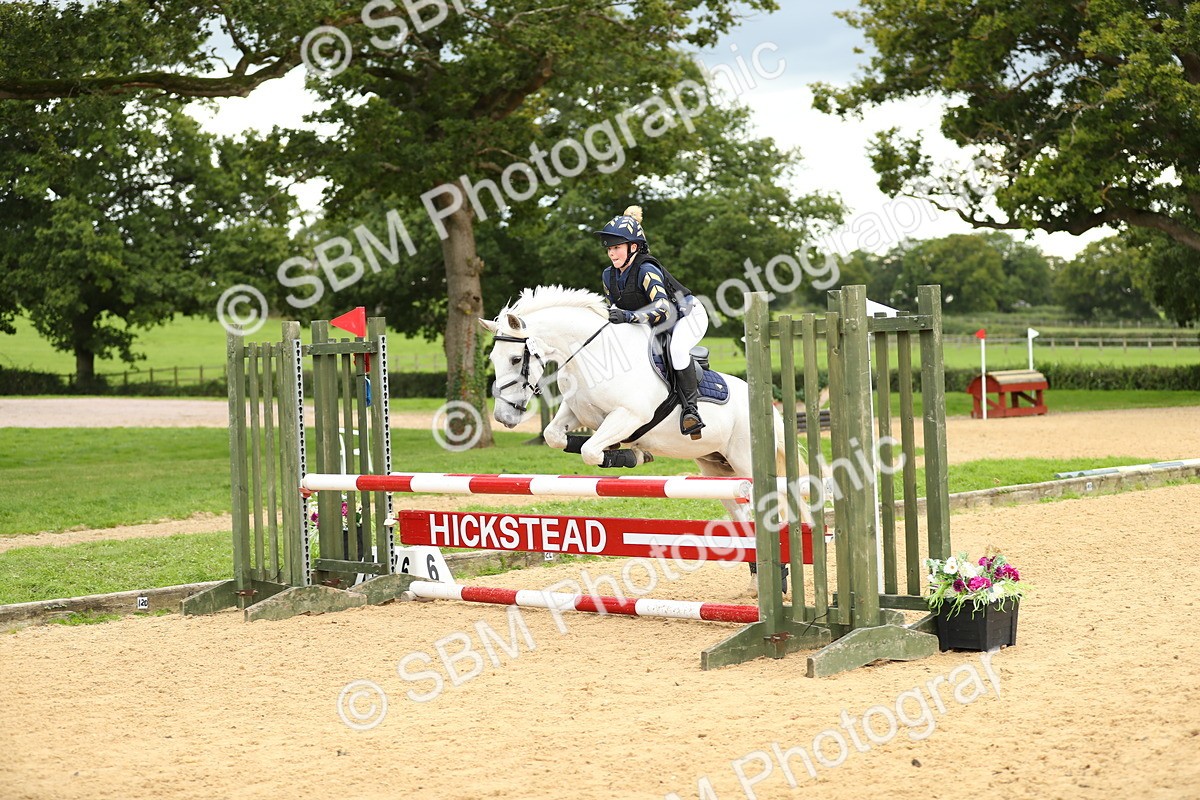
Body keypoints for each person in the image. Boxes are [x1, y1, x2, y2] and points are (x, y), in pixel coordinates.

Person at [592, 205, 710, 438]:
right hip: (654, 322)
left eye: (617, 248)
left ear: (633, 247)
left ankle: (691, 411)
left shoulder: (647, 269)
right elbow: (614, 309)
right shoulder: (609, 275)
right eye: (609, 249)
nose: (612, 254)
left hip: (687, 316)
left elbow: (663, 308)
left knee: (676, 349)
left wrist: (629, 316)